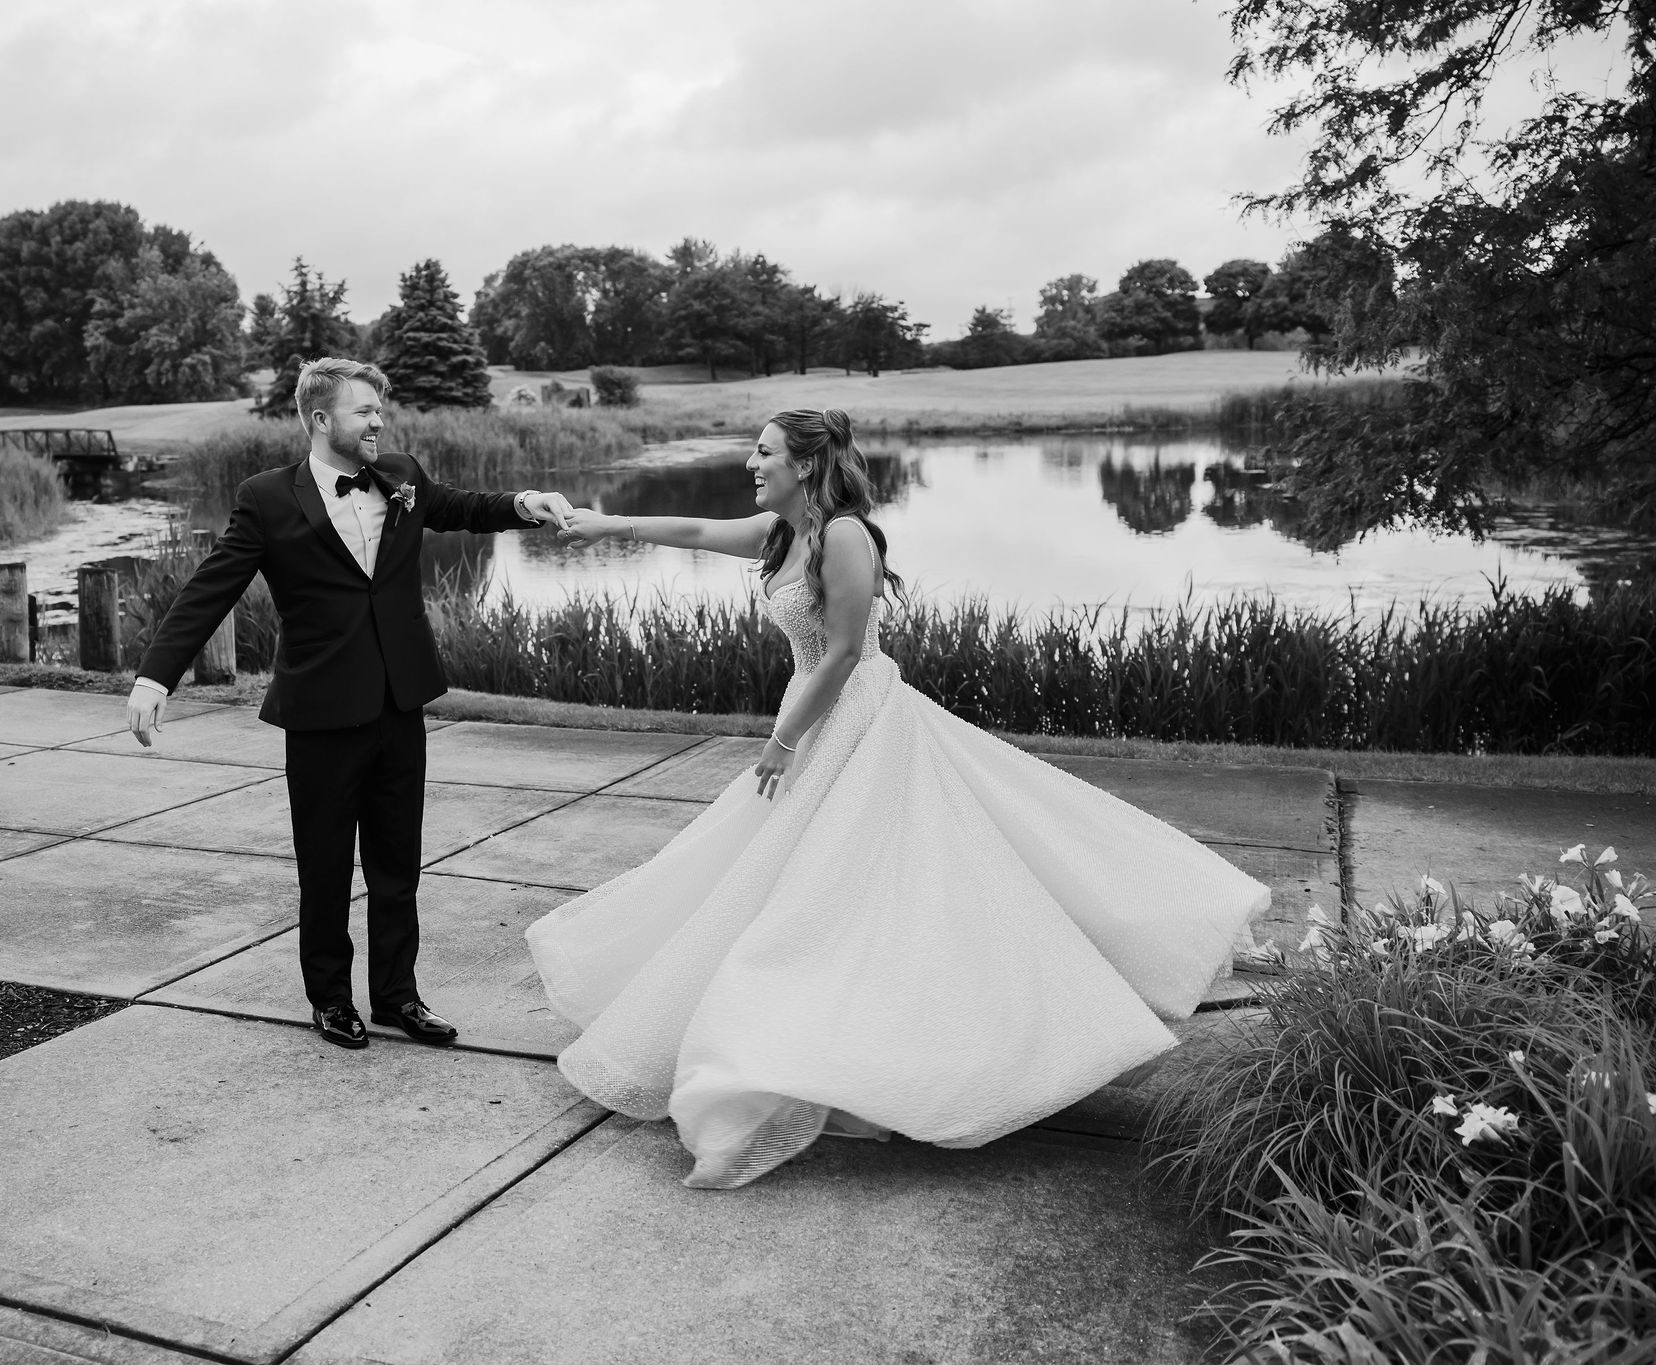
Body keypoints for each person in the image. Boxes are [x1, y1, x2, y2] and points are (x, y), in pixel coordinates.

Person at [526, 408, 1267, 1189]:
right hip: (814, 715)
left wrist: (782, 741)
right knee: (805, 879)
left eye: (765, 451)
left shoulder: (845, 535)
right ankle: (816, 1032)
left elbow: (844, 652)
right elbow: (699, 530)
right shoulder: (783, 534)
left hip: (856, 717)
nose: (752, 461)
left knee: (855, 880)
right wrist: (595, 521)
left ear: (806, 465)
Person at [128, 358, 574, 1051]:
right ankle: (331, 999)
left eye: (379, 410)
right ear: (320, 419)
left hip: (400, 705)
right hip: (320, 713)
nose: (378, 422)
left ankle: (398, 996)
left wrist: (524, 503)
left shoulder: (402, 475)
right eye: (364, 410)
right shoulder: (267, 497)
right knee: (327, 867)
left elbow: (462, 506)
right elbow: (209, 588)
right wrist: (157, 676)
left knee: (398, 864)